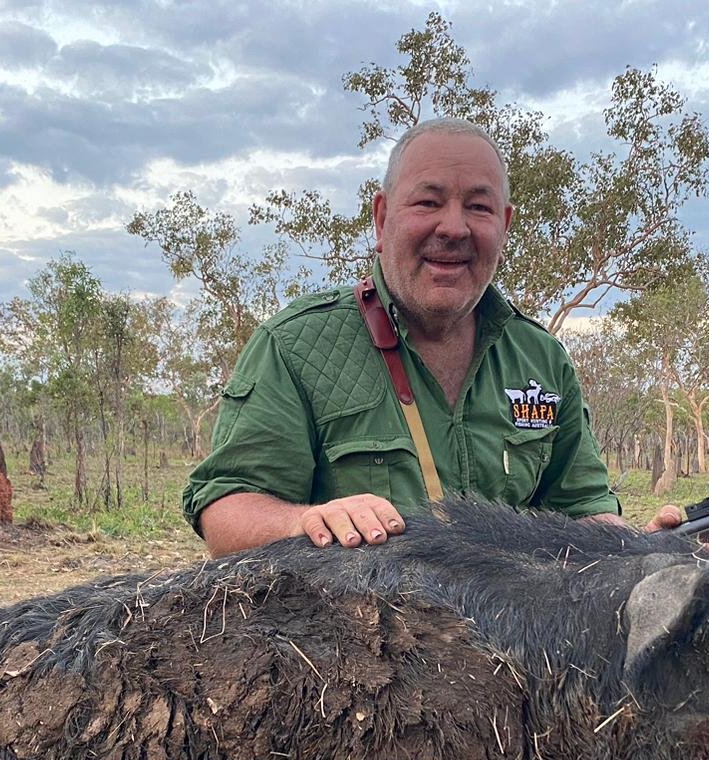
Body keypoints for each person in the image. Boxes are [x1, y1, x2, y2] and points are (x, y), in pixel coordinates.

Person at [181, 117, 681, 555]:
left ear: (503, 227)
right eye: (428, 201)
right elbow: (224, 513)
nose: (454, 228)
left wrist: (633, 549)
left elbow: (583, 509)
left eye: (479, 208)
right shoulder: (293, 347)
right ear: (381, 219)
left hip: (510, 652)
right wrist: (302, 521)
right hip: (354, 650)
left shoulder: (541, 359)